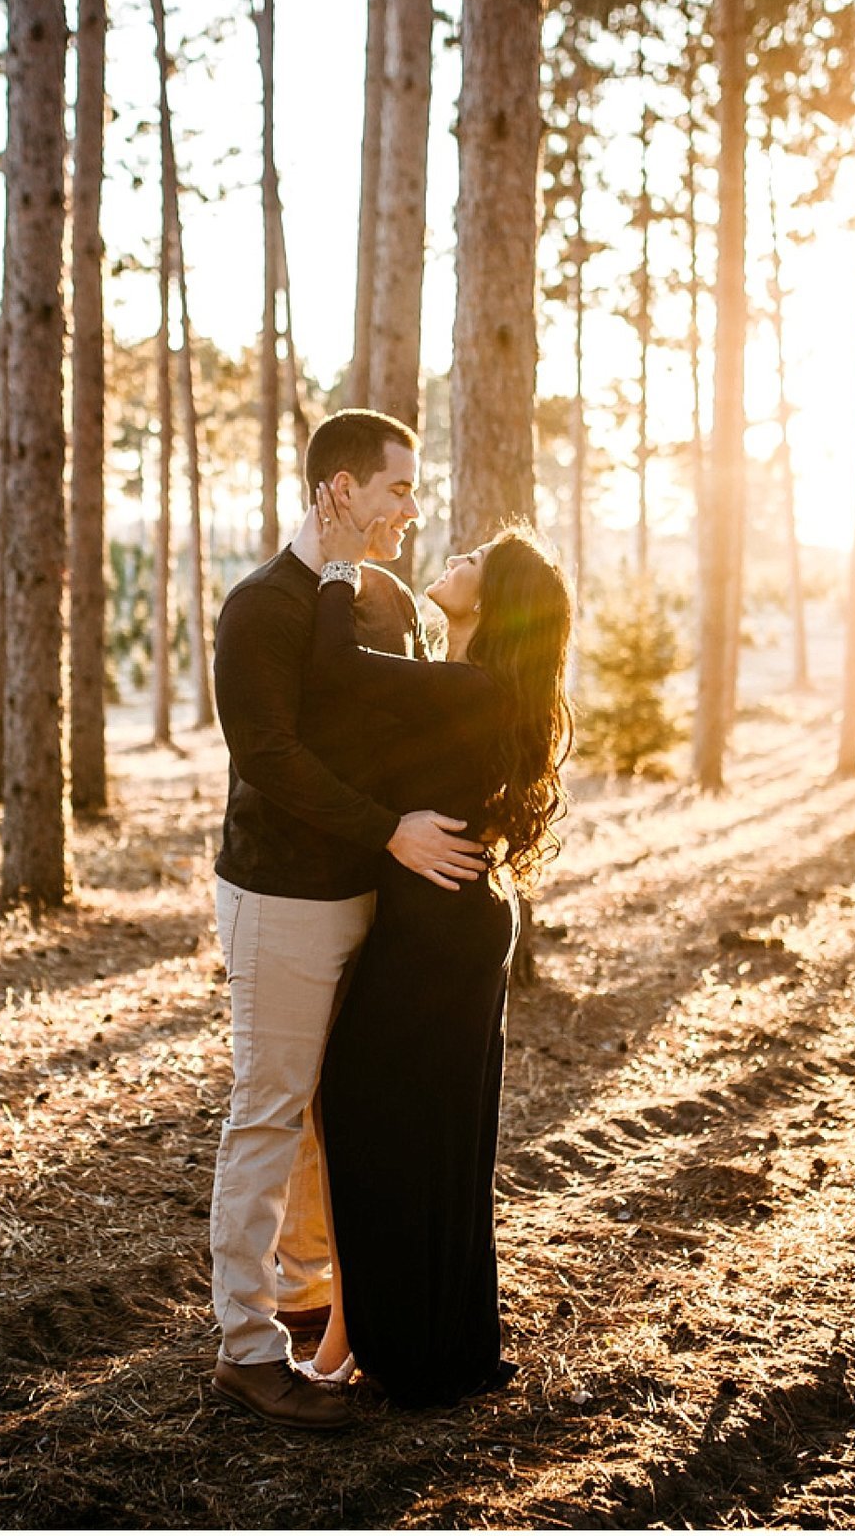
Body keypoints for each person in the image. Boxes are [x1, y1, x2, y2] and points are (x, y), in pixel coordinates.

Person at [205, 409, 490, 1431]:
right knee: (271, 1112)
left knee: (342, 1122)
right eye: (398, 488)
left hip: (373, 895)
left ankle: (316, 1300)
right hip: (282, 899)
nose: (412, 508)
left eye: (414, 488)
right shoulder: (261, 609)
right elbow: (270, 762)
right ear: (339, 491)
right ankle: (246, 1347)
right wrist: (389, 834)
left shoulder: (389, 603)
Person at [295, 499, 575, 1407]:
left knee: (378, 1111)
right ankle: (367, 1332)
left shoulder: (473, 689)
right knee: (417, 1128)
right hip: (447, 925)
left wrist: (335, 563)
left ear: (496, 604)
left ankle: (380, 1337)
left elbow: (335, 668)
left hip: (443, 936)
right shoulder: (466, 679)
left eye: (475, 561)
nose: (453, 557)